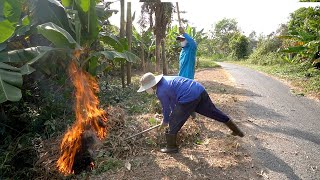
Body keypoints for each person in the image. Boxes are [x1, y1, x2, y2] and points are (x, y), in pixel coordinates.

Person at [137, 72, 244, 154]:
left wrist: (165, 121)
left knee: (173, 123)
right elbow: (174, 100)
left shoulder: (161, 91)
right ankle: (236, 130)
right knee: (212, 111)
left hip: (189, 97)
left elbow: (166, 109)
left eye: (146, 88)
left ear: (151, 85)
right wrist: (176, 113)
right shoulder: (166, 79)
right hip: (199, 89)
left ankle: (171, 147)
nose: (147, 90)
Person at [176, 27, 198, 119]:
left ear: (186, 40)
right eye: (180, 40)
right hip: (181, 76)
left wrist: (184, 33)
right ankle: (187, 110)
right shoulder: (182, 51)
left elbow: (193, 43)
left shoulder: (191, 49)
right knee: (181, 94)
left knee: (187, 94)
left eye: (182, 39)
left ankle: (191, 111)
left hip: (188, 76)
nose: (181, 41)